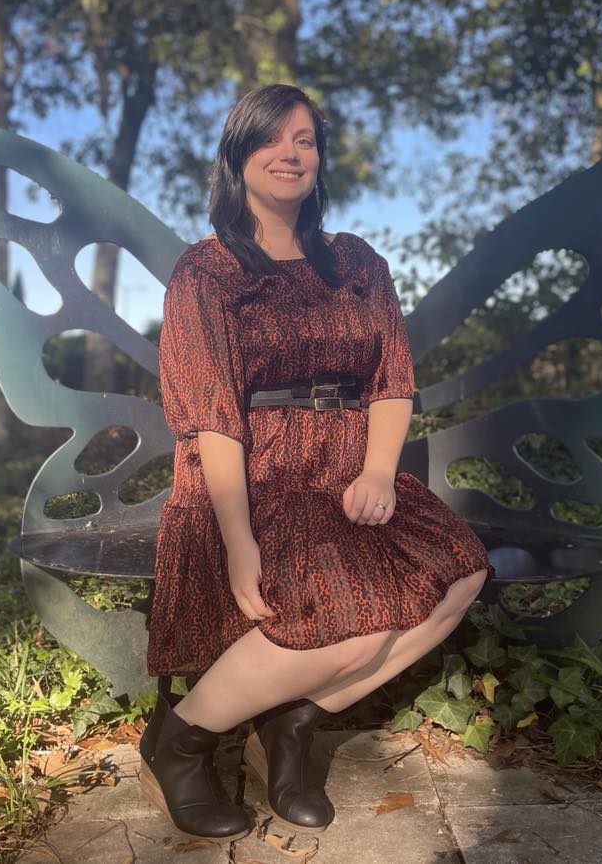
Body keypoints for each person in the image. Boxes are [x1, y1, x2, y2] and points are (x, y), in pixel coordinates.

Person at [139, 84, 492, 841]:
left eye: (305, 140)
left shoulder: (357, 264)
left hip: (348, 468)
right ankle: (180, 740)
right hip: (255, 472)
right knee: (354, 623)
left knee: (460, 574)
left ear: (320, 159)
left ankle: (294, 725)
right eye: (271, 139)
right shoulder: (206, 273)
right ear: (237, 158)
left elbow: (392, 382)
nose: (290, 154)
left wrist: (375, 472)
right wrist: (239, 541)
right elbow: (212, 419)